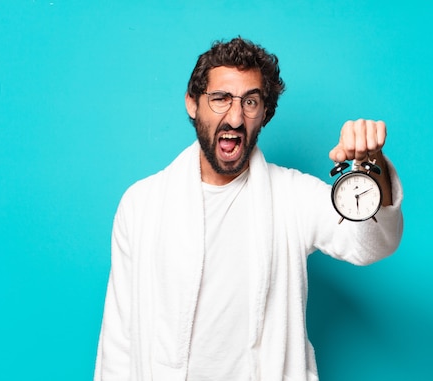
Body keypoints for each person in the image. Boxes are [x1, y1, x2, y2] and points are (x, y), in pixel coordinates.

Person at [94, 37, 404, 381]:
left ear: (265, 114)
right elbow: (119, 340)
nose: (236, 117)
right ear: (192, 104)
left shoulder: (291, 195)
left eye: (251, 101)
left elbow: (372, 244)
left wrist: (370, 166)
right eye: (221, 99)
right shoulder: (141, 204)